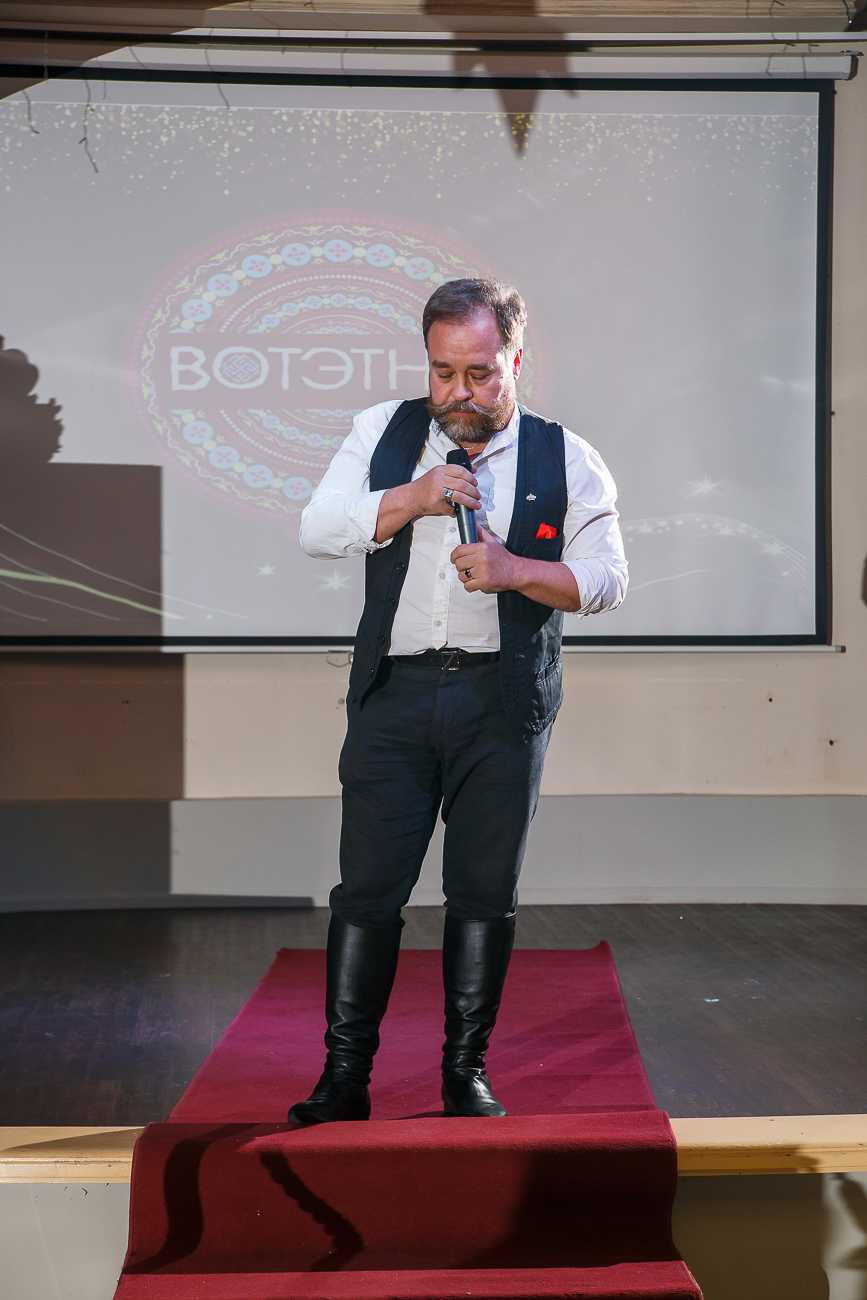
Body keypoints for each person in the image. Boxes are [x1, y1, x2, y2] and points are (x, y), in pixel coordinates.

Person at [291, 278, 627, 1125]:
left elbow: (606, 580)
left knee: (482, 893)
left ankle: (464, 1072)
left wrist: (516, 571)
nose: (458, 394)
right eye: (442, 373)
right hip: (394, 696)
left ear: (514, 361)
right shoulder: (383, 431)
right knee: (367, 891)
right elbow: (317, 530)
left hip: (501, 701)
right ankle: (343, 1078)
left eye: (479, 373)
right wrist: (413, 497)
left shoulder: (565, 455)